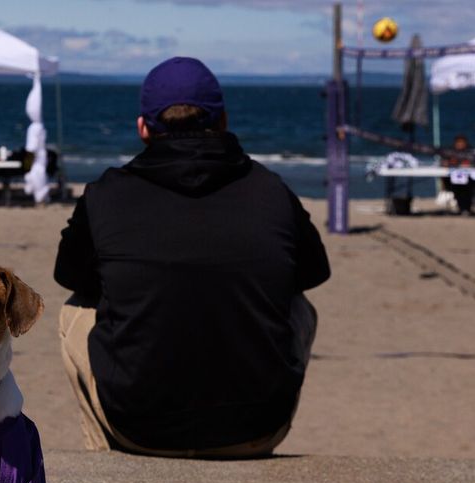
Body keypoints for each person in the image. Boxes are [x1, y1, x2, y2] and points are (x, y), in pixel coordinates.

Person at [54, 57, 330, 458]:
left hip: (137, 426)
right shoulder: (271, 190)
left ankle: (106, 457)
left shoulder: (106, 194)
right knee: (299, 305)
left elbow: (70, 276)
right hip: (257, 427)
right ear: (223, 122)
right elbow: (314, 273)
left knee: (73, 311)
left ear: (143, 128)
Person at [442, 134, 475, 215]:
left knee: (467, 189)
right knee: (458, 188)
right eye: (458, 143)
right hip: (453, 179)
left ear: (465, 143)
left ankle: (466, 208)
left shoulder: (470, 151)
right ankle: (462, 207)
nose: (460, 145)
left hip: (468, 179)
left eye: (462, 143)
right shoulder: (450, 152)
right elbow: (444, 163)